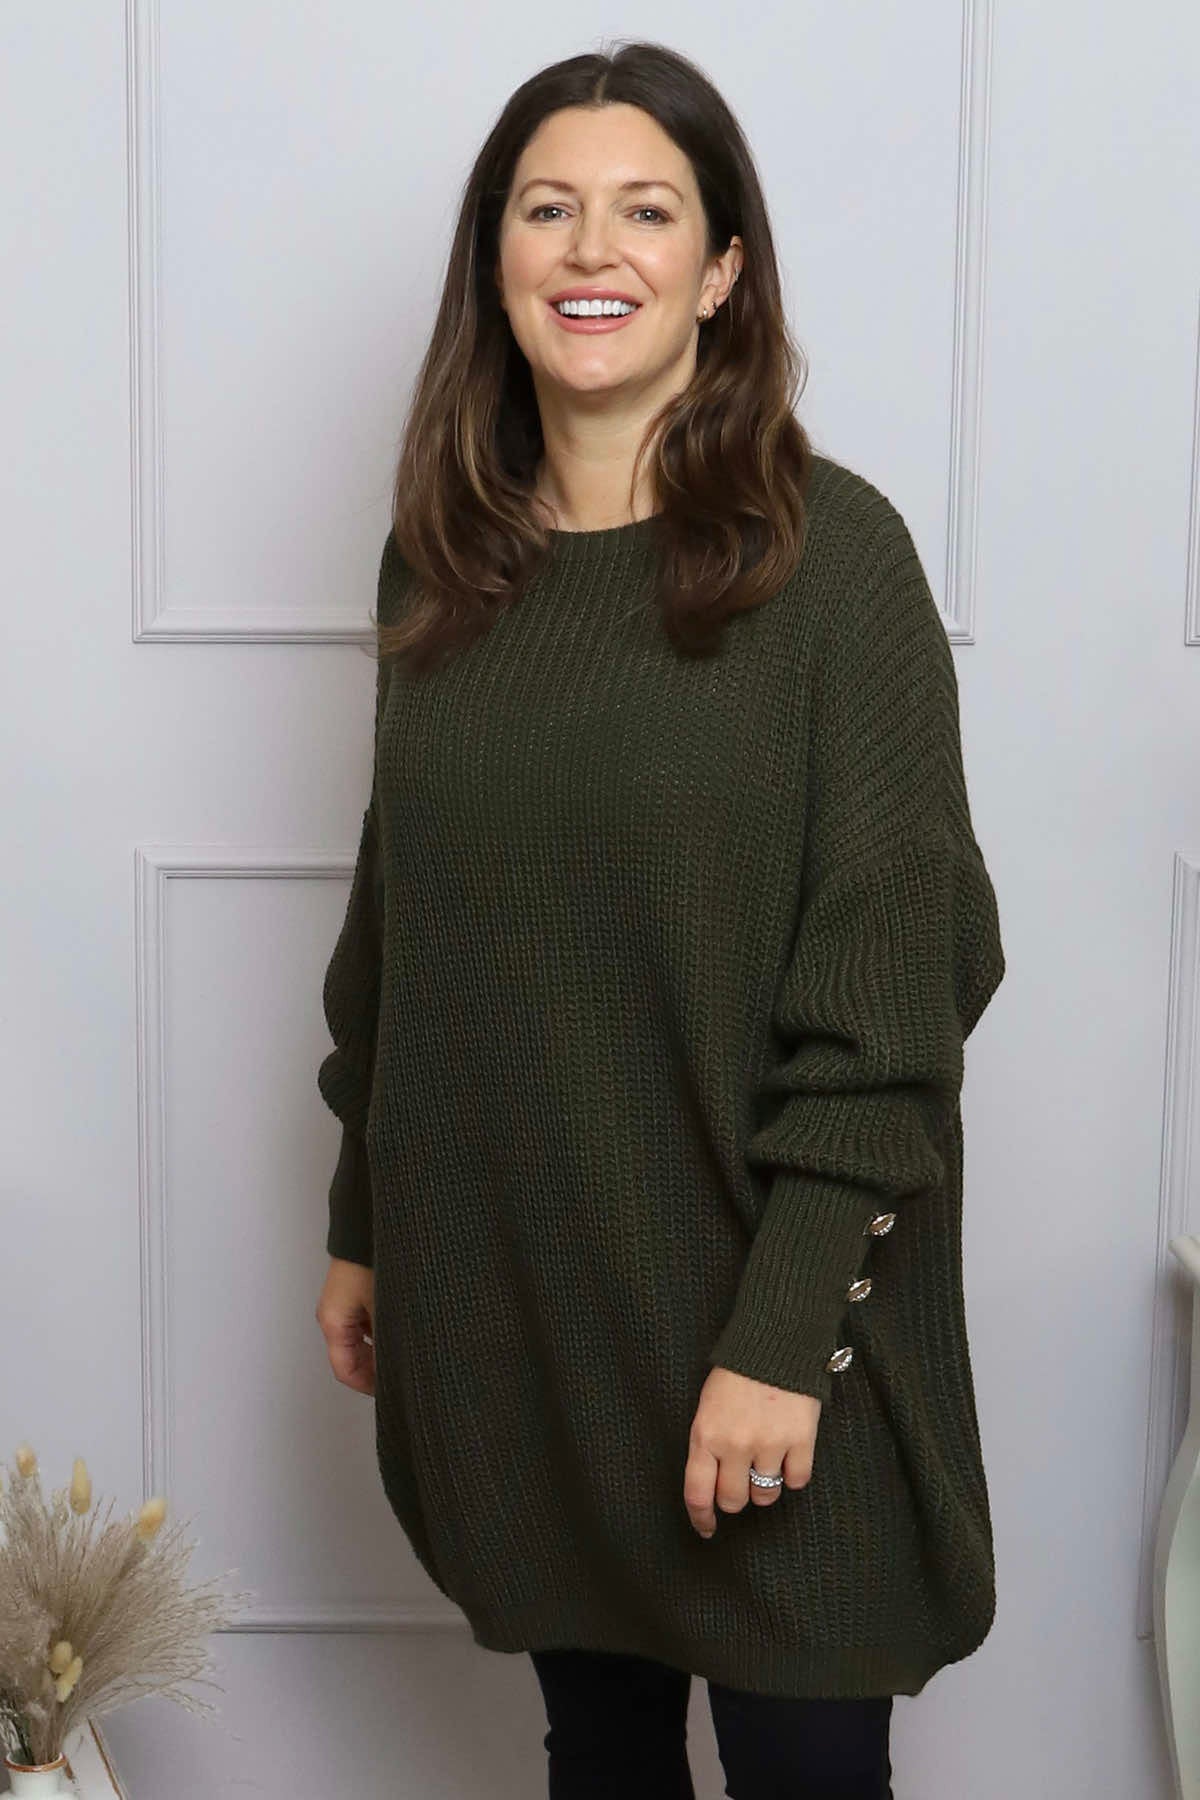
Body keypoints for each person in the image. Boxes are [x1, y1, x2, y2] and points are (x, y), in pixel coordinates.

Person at [313, 38, 1006, 1800]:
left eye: (645, 211)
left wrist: (783, 1340)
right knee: (602, 1761)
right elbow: (404, 928)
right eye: (548, 209)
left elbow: (901, 986)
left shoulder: (836, 565)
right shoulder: (443, 564)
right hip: (526, 1308)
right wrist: (363, 1216)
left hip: (768, 1316)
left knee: (806, 1770)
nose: (591, 249)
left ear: (720, 272)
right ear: (495, 258)